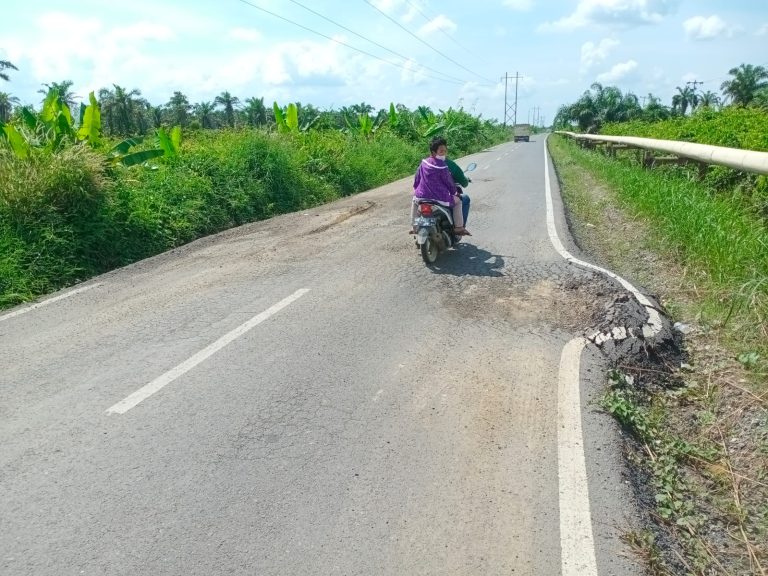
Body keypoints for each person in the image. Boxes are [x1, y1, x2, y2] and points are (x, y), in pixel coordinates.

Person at [410, 137, 470, 235]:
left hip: (422, 196)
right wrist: (456, 193)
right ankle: (459, 227)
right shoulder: (443, 165)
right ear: (434, 152)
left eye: (445, 151)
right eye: (441, 151)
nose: (444, 154)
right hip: (440, 197)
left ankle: (414, 226)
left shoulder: (424, 162)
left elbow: (417, 178)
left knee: (414, 200)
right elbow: (449, 183)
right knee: (459, 201)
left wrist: (417, 190)